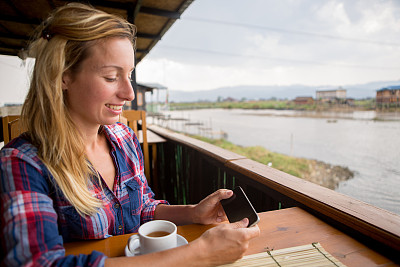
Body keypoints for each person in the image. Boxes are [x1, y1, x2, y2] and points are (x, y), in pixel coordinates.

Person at [0, 3, 260, 267]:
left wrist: (192, 213)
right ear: (64, 76)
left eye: (130, 75)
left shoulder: (123, 137)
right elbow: (36, 263)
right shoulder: (23, 163)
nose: (130, 93)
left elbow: (142, 208)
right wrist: (198, 255)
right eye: (111, 77)